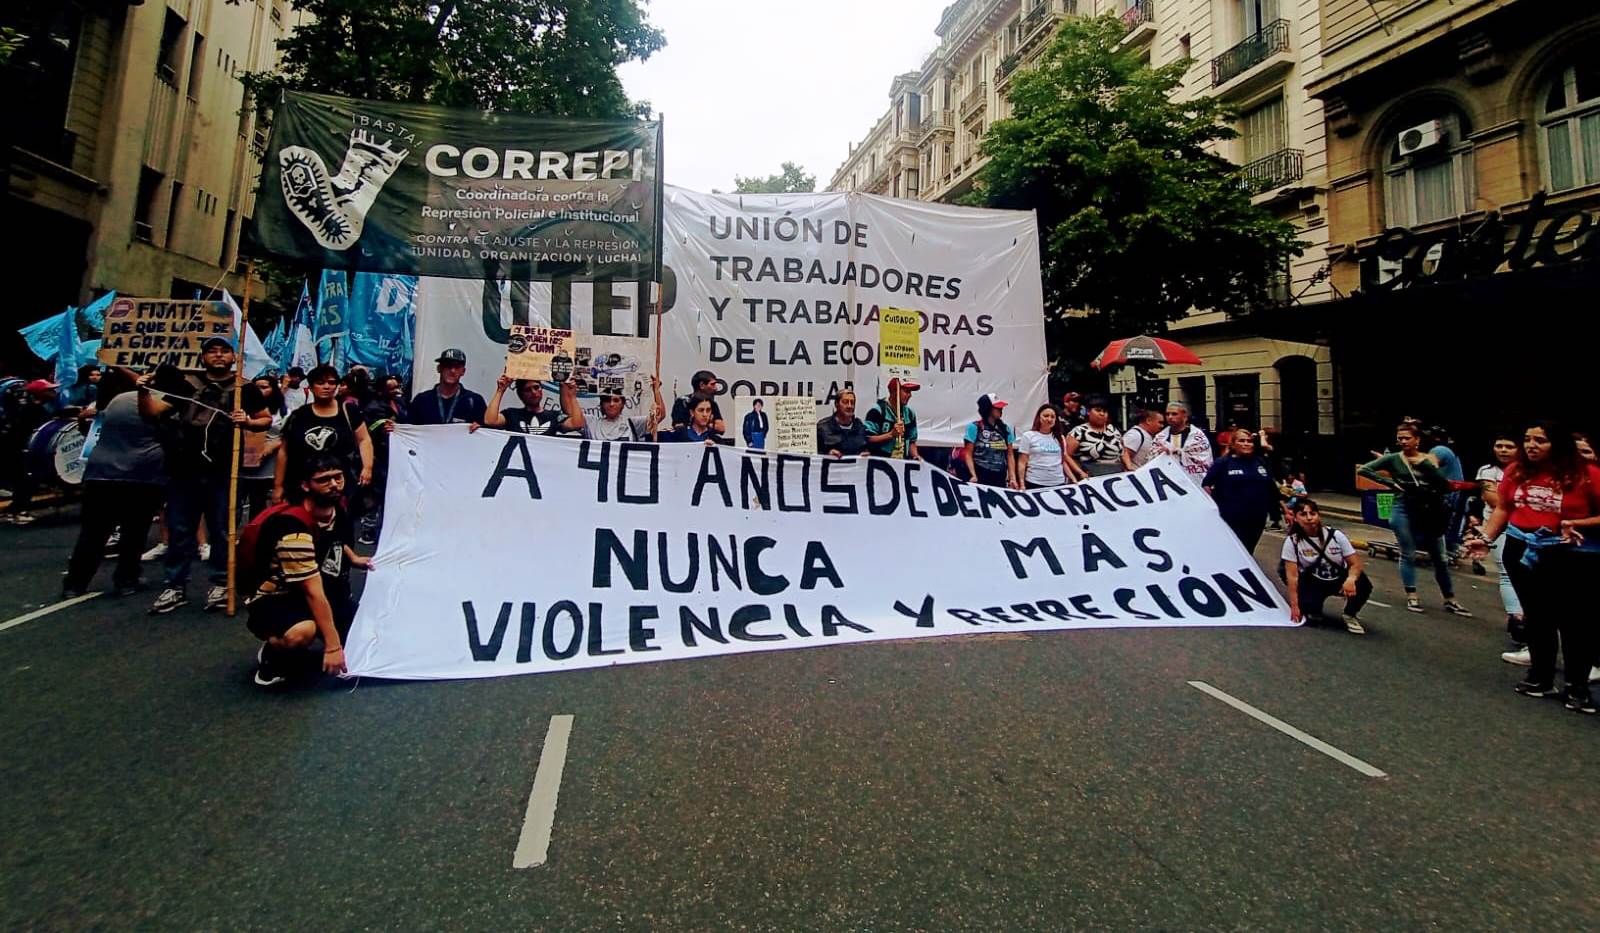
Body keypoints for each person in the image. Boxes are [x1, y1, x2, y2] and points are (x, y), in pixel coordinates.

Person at [1469, 421, 1600, 713]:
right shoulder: (1517, 471)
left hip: (1571, 555)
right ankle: (1540, 678)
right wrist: (1486, 538)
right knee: (1538, 618)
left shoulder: (1588, 475)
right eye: (1527, 439)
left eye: (1540, 440)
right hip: (1522, 550)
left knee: (1574, 622)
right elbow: (1503, 508)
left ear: (1558, 444)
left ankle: (1576, 687)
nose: (1531, 445)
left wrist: (1577, 524)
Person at [138, 340, 272, 613]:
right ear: (202, 357)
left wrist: (246, 421)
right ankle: (175, 586)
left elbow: (265, 419)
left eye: (224, 351)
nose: (219, 356)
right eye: (213, 351)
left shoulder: (244, 388)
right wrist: (141, 391)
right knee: (180, 529)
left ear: (234, 356)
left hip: (224, 470)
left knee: (223, 529)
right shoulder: (186, 384)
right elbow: (152, 412)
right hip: (184, 468)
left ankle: (222, 583)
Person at [246, 454, 372, 688]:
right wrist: (333, 646)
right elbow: (311, 590)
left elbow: (335, 539)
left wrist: (354, 558)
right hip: (281, 598)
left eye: (338, 477)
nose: (334, 485)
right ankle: (273, 655)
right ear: (305, 485)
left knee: (368, 633)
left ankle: (325, 631)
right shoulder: (292, 528)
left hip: (326, 591)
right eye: (323, 480)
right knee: (301, 633)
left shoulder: (337, 509)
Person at [62, 368, 164, 597]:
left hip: (100, 473)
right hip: (141, 475)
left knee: (93, 532)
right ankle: (127, 579)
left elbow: (85, 422)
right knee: (134, 532)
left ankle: (74, 584)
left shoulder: (110, 402)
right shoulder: (158, 402)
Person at [1358, 423, 1470, 616]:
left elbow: (1442, 485)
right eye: (1399, 438)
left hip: (1428, 510)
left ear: (1417, 440)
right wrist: (1390, 483)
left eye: (1407, 438)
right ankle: (1412, 595)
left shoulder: (1428, 459)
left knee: (1440, 557)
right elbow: (1364, 470)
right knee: (1407, 552)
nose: (1403, 441)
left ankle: (1450, 598)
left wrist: (1426, 467)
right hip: (1402, 507)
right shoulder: (1393, 459)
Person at [275, 364, 373, 507]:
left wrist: (367, 468)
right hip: (304, 487)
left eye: (332, 383)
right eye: (320, 383)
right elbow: (284, 451)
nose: (326, 387)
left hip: (340, 486)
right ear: (311, 386)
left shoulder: (348, 411)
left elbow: (364, 440)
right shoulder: (299, 415)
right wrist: (278, 486)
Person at [1281, 498, 1373, 635]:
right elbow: (1292, 576)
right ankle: (1312, 606)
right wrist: (1295, 606)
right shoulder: (1292, 542)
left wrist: (1351, 579)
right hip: (1313, 581)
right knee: (1312, 615)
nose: (1309, 518)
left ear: (1318, 515)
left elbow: (1355, 563)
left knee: (1364, 584)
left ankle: (1350, 614)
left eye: (1312, 514)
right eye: (1303, 514)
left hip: (1337, 579)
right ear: (1295, 518)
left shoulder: (1336, 536)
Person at [1203, 429, 1280, 553]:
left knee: (1248, 550)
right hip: (1231, 516)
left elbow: (1271, 487)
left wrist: (1284, 511)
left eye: (1249, 441)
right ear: (1233, 444)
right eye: (1242, 441)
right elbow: (1206, 485)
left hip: (1257, 516)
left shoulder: (1260, 462)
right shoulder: (1223, 463)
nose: (1246, 444)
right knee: (1235, 549)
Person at [2, 379, 59, 525]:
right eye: (49, 390)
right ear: (41, 393)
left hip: (20, 448)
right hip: (20, 449)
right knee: (25, 481)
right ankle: (17, 511)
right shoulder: (32, 409)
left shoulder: (34, 408)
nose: (54, 392)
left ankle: (15, 510)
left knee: (23, 481)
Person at [240, 376, 287, 520]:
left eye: (264, 387)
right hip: (242, 466)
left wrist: (272, 446)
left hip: (267, 467)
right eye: (257, 387)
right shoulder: (241, 407)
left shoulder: (284, 412)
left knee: (258, 504)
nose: (259, 391)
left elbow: (287, 436)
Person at [406, 349, 488, 426]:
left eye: (457, 367)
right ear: (439, 368)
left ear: (463, 371)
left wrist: (480, 429)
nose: (452, 371)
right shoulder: (421, 400)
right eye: (448, 366)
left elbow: (488, 432)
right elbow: (408, 431)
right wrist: (394, 429)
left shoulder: (475, 401)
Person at [480, 374, 582, 435]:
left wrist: (572, 395)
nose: (533, 392)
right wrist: (500, 390)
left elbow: (577, 424)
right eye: (528, 390)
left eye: (536, 387)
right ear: (521, 395)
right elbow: (490, 420)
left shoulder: (554, 416)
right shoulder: (512, 414)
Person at [579, 377, 665, 442]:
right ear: (601, 404)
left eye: (616, 400)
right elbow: (572, 418)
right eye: (607, 400)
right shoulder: (591, 422)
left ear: (622, 404)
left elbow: (659, 415)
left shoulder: (633, 424)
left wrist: (656, 390)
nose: (611, 404)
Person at [962, 394, 1019, 488]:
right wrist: (973, 475)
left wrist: (1012, 478)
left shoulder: (1005, 429)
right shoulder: (974, 427)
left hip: (999, 474)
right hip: (980, 472)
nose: (1001, 410)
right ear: (987, 408)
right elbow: (968, 454)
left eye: (1001, 408)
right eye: (997, 408)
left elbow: (1010, 454)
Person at [1154, 400, 1213, 485]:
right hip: (1168, 481)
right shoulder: (1160, 437)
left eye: (1174, 414)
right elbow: (1152, 458)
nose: (1170, 417)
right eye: (1167, 414)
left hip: (1192, 482)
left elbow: (1203, 460)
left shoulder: (1197, 437)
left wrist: (1176, 452)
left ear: (1184, 415)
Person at [863, 378, 921, 460]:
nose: (910, 395)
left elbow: (912, 441)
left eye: (910, 392)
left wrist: (915, 455)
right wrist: (890, 435)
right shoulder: (877, 411)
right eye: (906, 391)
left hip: (902, 462)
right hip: (879, 462)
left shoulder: (910, 413)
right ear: (894, 392)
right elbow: (867, 438)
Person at [1065, 395, 1121, 478]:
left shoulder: (1113, 430)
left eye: (1104, 411)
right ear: (1088, 412)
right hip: (1091, 476)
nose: (1102, 414)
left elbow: (1123, 452)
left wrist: (1129, 465)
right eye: (1098, 410)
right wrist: (1079, 472)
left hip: (1116, 474)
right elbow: (1066, 455)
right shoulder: (1079, 431)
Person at [1016, 403, 1069, 488]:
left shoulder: (1060, 438)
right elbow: (1022, 462)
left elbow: (1063, 462)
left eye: (1052, 417)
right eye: (1046, 416)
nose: (1049, 419)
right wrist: (1022, 484)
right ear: (1039, 417)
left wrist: (1073, 479)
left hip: (1058, 483)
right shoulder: (1028, 436)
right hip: (1034, 482)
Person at [670, 370, 726, 435]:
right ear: (702, 385)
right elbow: (679, 426)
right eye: (712, 384)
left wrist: (702, 424)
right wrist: (708, 424)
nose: (716, 388)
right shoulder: (682, 402)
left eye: (708, 410)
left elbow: (721, 428)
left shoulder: (712, 403)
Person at [818, 389, 870, 457]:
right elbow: (813, 455)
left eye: (852, 403)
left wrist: (865, 454)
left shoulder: (860, 427)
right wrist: (827, 454)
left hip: (855, 467)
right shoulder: (823, 427)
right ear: (836, 404)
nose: (849, 406)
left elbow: (865, 448)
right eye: (845, 402)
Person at [662, 393, 727, 444]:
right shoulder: (677, 433)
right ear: (692, 412)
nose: (705, 414)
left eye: (708, 410)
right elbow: (654, 440)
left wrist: (714, 449)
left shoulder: (716, 440)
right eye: (701, 410)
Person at [1120, 405, 1165, 472]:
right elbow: (1124, 453)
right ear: (1148, 421)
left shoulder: (1149, 435)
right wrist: (1130, 468)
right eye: (1160, 422)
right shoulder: (1135, 435)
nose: (1162, 426)